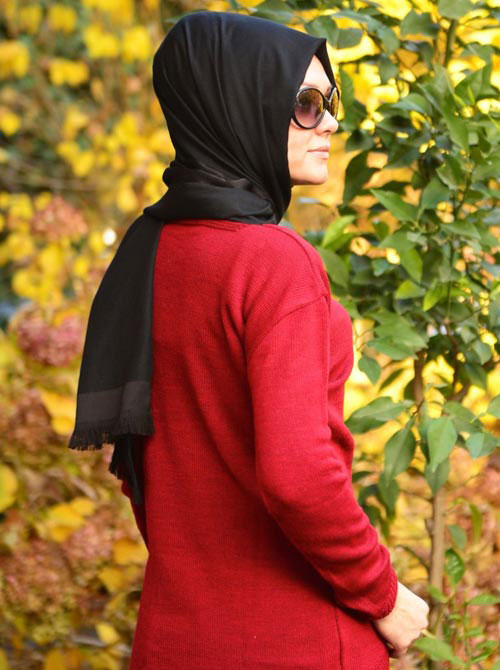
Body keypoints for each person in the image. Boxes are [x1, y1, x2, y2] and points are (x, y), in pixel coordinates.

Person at [69, 10, 428, 669]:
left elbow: (144, 468)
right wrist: (383, 595)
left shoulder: (150, 252)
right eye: (307, 104)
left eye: (330, 103)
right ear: (239, 105)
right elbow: (299, 477)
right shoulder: (273, 261)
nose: (330, 124)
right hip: (297, 640)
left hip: (176, 639)